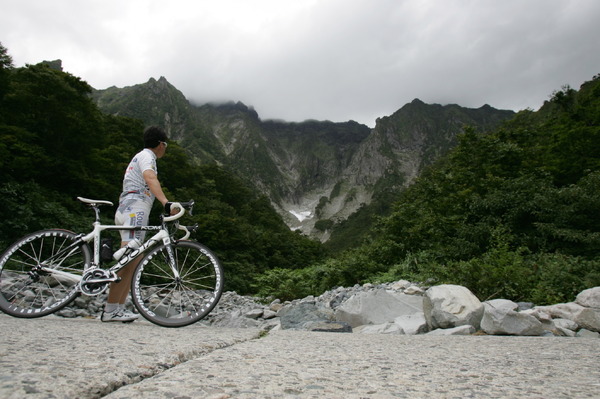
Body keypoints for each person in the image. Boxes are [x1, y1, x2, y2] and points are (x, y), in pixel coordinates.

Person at [101, 126, 172, 322]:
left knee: (134, 259)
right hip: (136, 208)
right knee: (128, 258)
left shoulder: (140, 156)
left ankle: (117, 308)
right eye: (165, 145)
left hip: (128, 207)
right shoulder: (147, 156)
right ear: (160, 144)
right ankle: (111, 309)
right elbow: (150, 177)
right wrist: (166, 203)